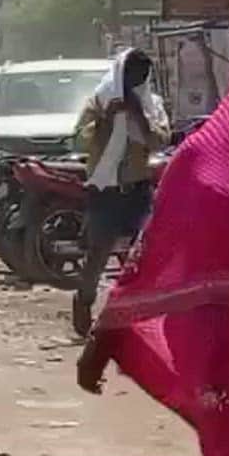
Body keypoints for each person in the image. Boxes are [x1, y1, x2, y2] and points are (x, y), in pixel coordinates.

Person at [77, 50, 229, 456]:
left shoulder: (164, 123)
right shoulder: (203, 161)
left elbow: (158, 138)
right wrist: (107, 335)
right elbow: (158, 256)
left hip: (135, 189)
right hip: (228, 361)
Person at [71, 48, 170, 337]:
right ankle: (84, 302)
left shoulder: (152, 104)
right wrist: (106, 120)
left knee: (142, 254)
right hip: (105, 190)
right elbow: (79, 140)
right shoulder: (98, 102)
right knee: (99, 253)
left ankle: (137, 314)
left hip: (137, 188)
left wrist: (138, 116)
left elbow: (160, 139)